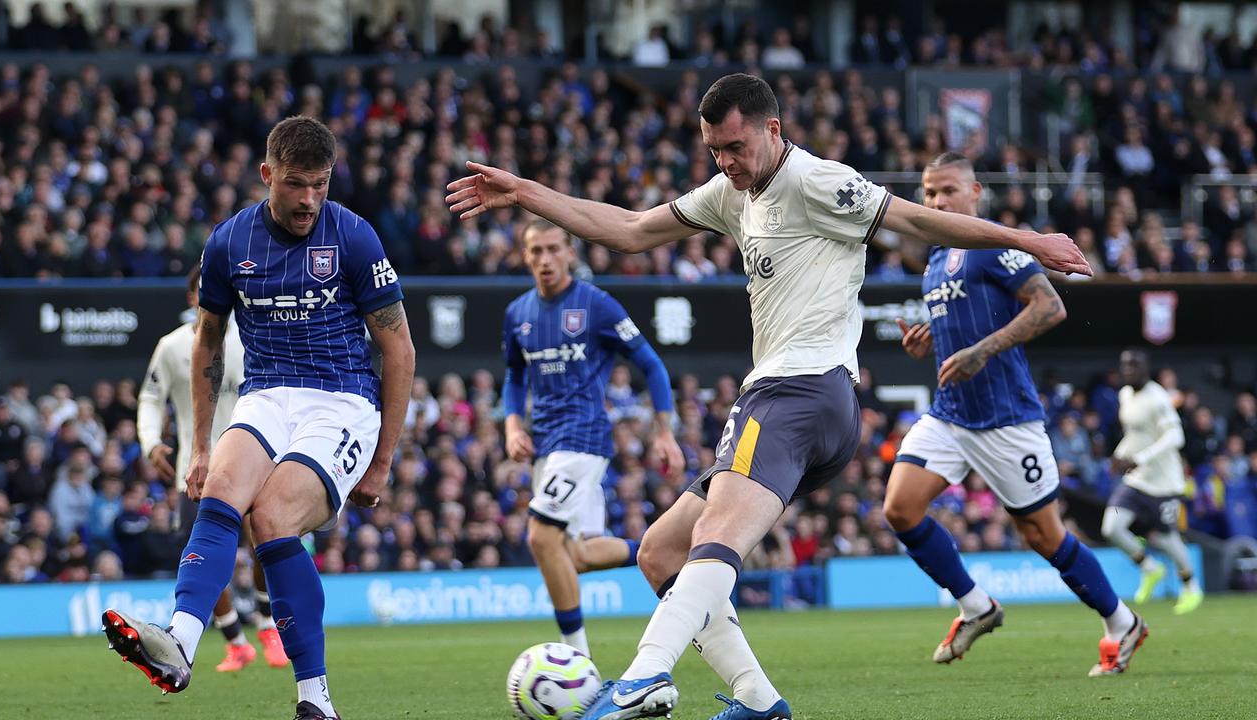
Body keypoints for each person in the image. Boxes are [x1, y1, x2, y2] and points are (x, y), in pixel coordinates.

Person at [447, 73, 1091, 720]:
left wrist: (1026, 239)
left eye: (734, 146)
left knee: (718, 532)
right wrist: (525, 193)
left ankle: (644, 675)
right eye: (714, 151)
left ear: (772, 129)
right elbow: (630, 229)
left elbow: (919, 219)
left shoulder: (817, 180)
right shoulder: (733, 194)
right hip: (794, 397)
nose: (725, 162)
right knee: (661, 551)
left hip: (800, 390)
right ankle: (758, 701)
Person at [104, 116, 415, 720]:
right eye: (296, 184)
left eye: (320, 185)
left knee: (272, 517)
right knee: (220, 490)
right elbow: (207, 343)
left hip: (342, 399)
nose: (308, 200)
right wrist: (198, 447)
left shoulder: (353, 237)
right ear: (267, 174)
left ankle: (314, 697)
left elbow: (399, 349)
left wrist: (383, 462)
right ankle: (180, 648)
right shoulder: (228, 242)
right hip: (266, 394)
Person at [883, 153, 1147, 678]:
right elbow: (965, 327)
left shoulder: (994, 247)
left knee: (1043, 537)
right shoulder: (936, 260)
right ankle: (976, 606)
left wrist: (983, 350)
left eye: (948, 191)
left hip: (1006, 420)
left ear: (976, 192)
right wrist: (929, 346)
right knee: (899, 508)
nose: (937, 202)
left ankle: (1122, 622)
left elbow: (1050, 306)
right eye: (929, 194)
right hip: (951, 416)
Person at [504, 219, 684, 658]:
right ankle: (668, 551)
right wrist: (511, 425)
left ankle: (577, 662)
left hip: (583, 437)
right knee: (577, 555)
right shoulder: (518, 313)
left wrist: (664, 431)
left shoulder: (596, 305)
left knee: (541, 537)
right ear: (525, 257)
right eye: (536, 252)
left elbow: (653, 366)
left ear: (570, 253)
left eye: (552, 250)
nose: (545, 260)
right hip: (544, 445)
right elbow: (513, 377)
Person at [137, 263, 289, 673]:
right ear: (191, 298)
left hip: (254, 461)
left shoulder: (250, 341)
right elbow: (150, 399)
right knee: (202, 553)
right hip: (199, 467)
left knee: (265, 541)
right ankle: (235, 641)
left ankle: (268, 624)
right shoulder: (171, 347)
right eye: (202, 290)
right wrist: (151, 443)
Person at [1103, 348, 1202, 614]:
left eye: (1135, 365)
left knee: (1168, 540)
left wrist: (1141, 458)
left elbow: (1175, 438)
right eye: (1125, 366)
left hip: (1165, 483)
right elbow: (1135, 433)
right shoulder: (1125, 394)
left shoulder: (1158, 398)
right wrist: (1120, 455)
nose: (1129, 370)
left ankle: (1191, 587)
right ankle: (1150, 568)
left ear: (1147, 369)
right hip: (1137, 480)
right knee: (1111, 527)